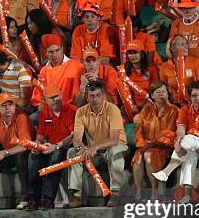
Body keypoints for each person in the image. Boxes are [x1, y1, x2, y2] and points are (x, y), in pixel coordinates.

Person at [66, 80, 127, 208]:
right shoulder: (81, 112)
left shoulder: (112, 109)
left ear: (103, 96)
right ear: (87, 97)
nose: (95, 99)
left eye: (98, 95)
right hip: (96, 152)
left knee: (115, 151)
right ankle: (76, 196)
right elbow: (76, 139)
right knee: (72, 152)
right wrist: (81, 148)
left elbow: (115, 139)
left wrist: (95, 146)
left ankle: (115, 194)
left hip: (116, 146)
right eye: (92, 96)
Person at [153, 81, 199, 201]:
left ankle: (167, 171)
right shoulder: (185, 109)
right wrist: (177, 144)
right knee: (190, 156)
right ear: (189, 97)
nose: (197, 98)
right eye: (194, 95)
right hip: (191, 146)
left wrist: (191, 134)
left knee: (189, 138)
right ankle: (187, 196)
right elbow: (181, 130)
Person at [27, 83, 76, 210]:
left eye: (56, 96)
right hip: (49, 147)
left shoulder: (72, 110)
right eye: (51, 98)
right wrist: (37, 146)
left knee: (56, 155)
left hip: (66, 147)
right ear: (45, 100)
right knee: (33, 157)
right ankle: (33, 198)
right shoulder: (44, 113)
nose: (54, 100)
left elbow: (74, 136)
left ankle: (48, 199)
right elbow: (41, 136)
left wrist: (57, 146)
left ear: (61, 95)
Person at [132, 81, 179, 200]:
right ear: (152, 95)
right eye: (157, 92)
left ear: (168, 94)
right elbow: (139, 129)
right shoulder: (146, 109)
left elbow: (171, 133)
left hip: (164, 147)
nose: (161, 94)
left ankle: (155, 190)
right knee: (137, 157)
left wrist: (153, 144)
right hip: (146, 145)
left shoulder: (174, 110)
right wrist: (142, 143)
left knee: (149, 155)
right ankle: (137, 192)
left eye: (163, 91)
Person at [31, 34, 85, 108]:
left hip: (72, 108)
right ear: (45, 53)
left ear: (62, 49)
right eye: (51, 52)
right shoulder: (44, 70)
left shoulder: (76, 65)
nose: (55, 55)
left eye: (57, 50)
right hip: (50, 110)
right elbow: (38, 97)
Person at [159, 35, 199, 105]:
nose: (186, 46)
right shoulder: (164, 67)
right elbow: (164, 89)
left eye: (186, 43)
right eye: (182, 44)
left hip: (193, 102)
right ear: (172, 48)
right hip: (174, 103)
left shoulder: (195, 61)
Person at [70, 0, 119, 64]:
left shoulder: (107, 29)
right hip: (83, 68)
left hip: (102, 68)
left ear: (98, 17)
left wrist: (88, 65)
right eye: (86, 17)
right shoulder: (78, 30)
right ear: (82, 19)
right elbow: (75, 59)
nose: (89, 20)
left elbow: (106, 59)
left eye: (93, 16)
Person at [123, 40, 160, 110]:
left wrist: (147, 104)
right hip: (133, 105)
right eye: (130, 53)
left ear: (142, 54)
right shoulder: (124, 70)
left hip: (150, 103)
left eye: (135, 52)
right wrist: (132, 105)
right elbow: (126, 92)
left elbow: (156, 89)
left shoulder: (152, 69)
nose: (132, 56)